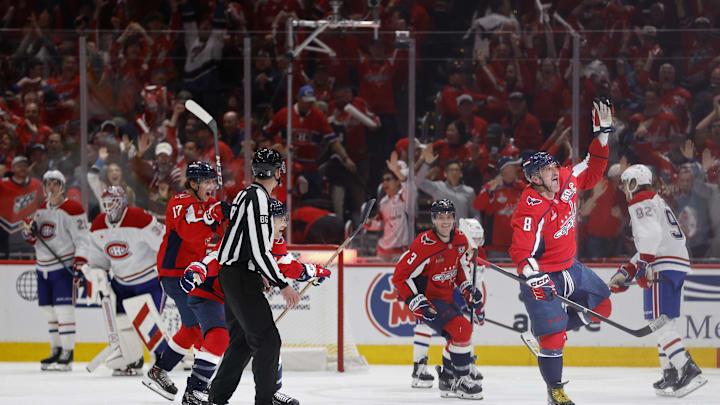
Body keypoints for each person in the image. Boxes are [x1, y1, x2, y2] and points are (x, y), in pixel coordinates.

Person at [508, 98, 615, 405]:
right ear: (533, 178)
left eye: (554, 165)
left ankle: (546, 332)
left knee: (602, 306)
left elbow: (592, 169)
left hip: (571, 267)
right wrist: (533, 278)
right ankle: (555, 389)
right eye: (545, 169)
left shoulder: (566, 179)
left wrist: (603, 137)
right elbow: (521, 251)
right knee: (555, 339)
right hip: (542, 277)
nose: (554, 172)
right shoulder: (530, 209)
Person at [178, 198, 329, 405]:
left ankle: (220, 395)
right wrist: (199, 269)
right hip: (219, 291)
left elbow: (285, 264)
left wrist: (311, 271)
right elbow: (217, 257)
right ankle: (248, 395)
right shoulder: (242, 237)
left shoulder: (274, 240)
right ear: (265, 220)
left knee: (251, 342)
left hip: (238, 292)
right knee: (264, 340)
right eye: (280, 219)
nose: (285, 223)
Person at [209, 148, 300, 405]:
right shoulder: (259, 198)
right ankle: (265, 401)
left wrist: (257, 272)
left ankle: (216, 398)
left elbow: (246, 244)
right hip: (238, 276)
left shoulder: (245, 194)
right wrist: (283, 284)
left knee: (242, 341)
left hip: (232, 274)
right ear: (278, 172)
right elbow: (259, 249)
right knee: (268, 341)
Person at [608, 164, 706, 398]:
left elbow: (650, 237)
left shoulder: (640, 199)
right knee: (663, 321)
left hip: (663, 264)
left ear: (633, 183)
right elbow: (651, 240)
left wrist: (642, 266)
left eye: (624, 183)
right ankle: (671, 373)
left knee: (657, 320)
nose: (622, 189)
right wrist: (629, 270)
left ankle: (687, 368)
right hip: (674, 263)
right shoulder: (655, 200)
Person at [143, 161, 229, 401]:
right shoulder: (179, 202)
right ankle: (198, 386)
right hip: (175, 273)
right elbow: (190, 231)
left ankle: (161, 371)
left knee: (192, 329)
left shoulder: (206, 203)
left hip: (191, 273)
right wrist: (214, 215)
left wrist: (226, 215)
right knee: (205, 330)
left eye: (214, 181)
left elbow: (221, 228)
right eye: (207, 181)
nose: (212, 186)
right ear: (193, 183)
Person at [392, 199, 484, 400]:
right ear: (433, 219)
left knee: (457, 336)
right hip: (429, 302)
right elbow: (399, 276)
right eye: (440, 217)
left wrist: (467, 287)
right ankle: (461, 379)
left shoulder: (460, 239)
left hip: (446, 297)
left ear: (454, 218)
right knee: (462, 329)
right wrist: (416, 301)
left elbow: (459, 267)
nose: (445, 221)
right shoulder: (423, 244)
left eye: (449, 217)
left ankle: (447, 380)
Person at [84, 186, 166, 376]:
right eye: (106, 202)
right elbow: (98, 259)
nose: (109, 206)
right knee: (121, 321)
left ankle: (162, 358)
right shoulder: (98, 224)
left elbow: (164, 242)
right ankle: (132, 357)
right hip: (120, 283)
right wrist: (97, 274)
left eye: (113, 201)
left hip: (148, 280)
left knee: (149, 322)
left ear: (122, 202)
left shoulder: (140, 218)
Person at [22, 170, 90, 371]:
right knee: (48, 310)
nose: (50, 187)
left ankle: (68, 352)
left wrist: (79, 265)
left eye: (54, 183)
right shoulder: (41, 209)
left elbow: (82, 240)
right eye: (47, 183)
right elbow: (36, 239)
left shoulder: (73, 208)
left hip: (63, 267)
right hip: (42, 268)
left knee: (64, 310)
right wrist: (29, 233)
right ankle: (56, 349)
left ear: (62, 186)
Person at [409, 217, 487, 389]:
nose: (475, 243)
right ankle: (419, 368)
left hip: (458, 295)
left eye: (478, 239)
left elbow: (478, 283)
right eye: (472, 239)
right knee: (424, 327)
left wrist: (478, 306)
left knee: (462, 330)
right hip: (433, 294)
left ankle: (463, 366)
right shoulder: (451, 247)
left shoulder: (478, 254)